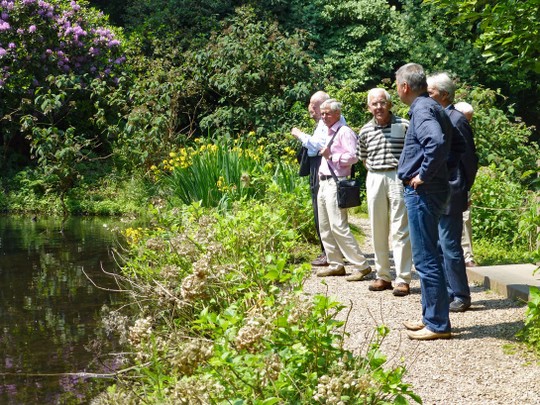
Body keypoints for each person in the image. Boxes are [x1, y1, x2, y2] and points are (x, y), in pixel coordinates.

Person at [395, 63, 453, 340]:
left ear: (404, 86)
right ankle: (430, 317)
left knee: (426, 258)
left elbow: (437, 142)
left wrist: (422, 175)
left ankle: (437, 324)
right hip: (432, 189)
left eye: (397, 85)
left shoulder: (421, 109)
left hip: (424, 192)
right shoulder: (430, 107)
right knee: (429, 255)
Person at [427, 74, 478, 312]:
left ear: (444, 94)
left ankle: (461, 294)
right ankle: (448, 292)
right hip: (438, 192)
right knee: (438, 245)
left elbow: (469, 160)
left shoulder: (456, 120)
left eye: (431, 92)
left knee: (450, 245)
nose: (428, 96)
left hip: (452, 191)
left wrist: (462, 188)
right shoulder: (439, 117)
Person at [356, 88, 412, 295]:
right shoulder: (364, 130)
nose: (378, 107)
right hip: (375, 177)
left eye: (382, 103)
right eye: (374, 104)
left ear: (389, 104)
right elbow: (363, 157)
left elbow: (413, 151)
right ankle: (383, 276)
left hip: (398, 176)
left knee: (400, 228)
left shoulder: (404, 125)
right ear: (369, 107)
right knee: (377, 227)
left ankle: (403, 278)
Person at [315, 99, 372, 279]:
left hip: (336, 181)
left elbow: (354, 156)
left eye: (328, 113)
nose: (324, 117)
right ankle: (335, 264)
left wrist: (332, 156)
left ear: (338, 114)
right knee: (325, 226)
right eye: (322, 113)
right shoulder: (328, 131)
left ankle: (361, 265)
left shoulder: (344, 131)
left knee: (338, 225)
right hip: (324, 182)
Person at [292, 91, 346, 267]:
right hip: (324, 165)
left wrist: (300, 135)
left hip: (324, 166)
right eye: (312, 106)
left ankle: (328, 252)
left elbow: (317, 146)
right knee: (324, 209)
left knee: (322, 209)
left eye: (314, 106)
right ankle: (331, 251)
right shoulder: (326, 123)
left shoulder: (329, 124)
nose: (311, 110)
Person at [454, 101, 477, 268]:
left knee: (465, 216)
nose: (467, 123)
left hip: (462, 181)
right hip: (449, 179)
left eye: (469, 120)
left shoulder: (464, 129)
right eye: (466, 119)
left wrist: (468, 186)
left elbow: (470, 158)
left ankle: (467, 256)